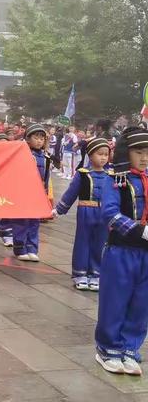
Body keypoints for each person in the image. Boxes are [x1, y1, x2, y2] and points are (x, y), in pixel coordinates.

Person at [95, 127, 148, 376]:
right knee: (115, 301)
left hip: (146, 254)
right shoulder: (116, 178)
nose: (145, 157)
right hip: (121, 250)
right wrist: (140, 231)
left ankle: (130, 349)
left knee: (142, 304)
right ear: (128, 152)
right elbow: (109, 213)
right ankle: (108, 348)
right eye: (139, 152)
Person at [53, 138, 111, 291]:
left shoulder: (111, 175)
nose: (103, 157)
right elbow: (71, 193)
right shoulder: (83, 174)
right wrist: (59, 209)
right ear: (90, 155)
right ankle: (80, 273)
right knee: (83, 242)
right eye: (100, 154)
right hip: (86, 211)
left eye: (106, 154)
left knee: (101, 243)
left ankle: (96, 274)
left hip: (104, 214)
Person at [12, 123, 51, 262]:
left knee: (34, 222)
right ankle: (20, 247)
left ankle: (32, 248)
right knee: (21, 220)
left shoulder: (46, 158)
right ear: (28, 139)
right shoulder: (23, 154)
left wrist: (45, 193)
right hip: (24, 191)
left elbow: (46, 177)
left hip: (38, 193)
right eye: (36, 137)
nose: (40, 140)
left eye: (42, 138)